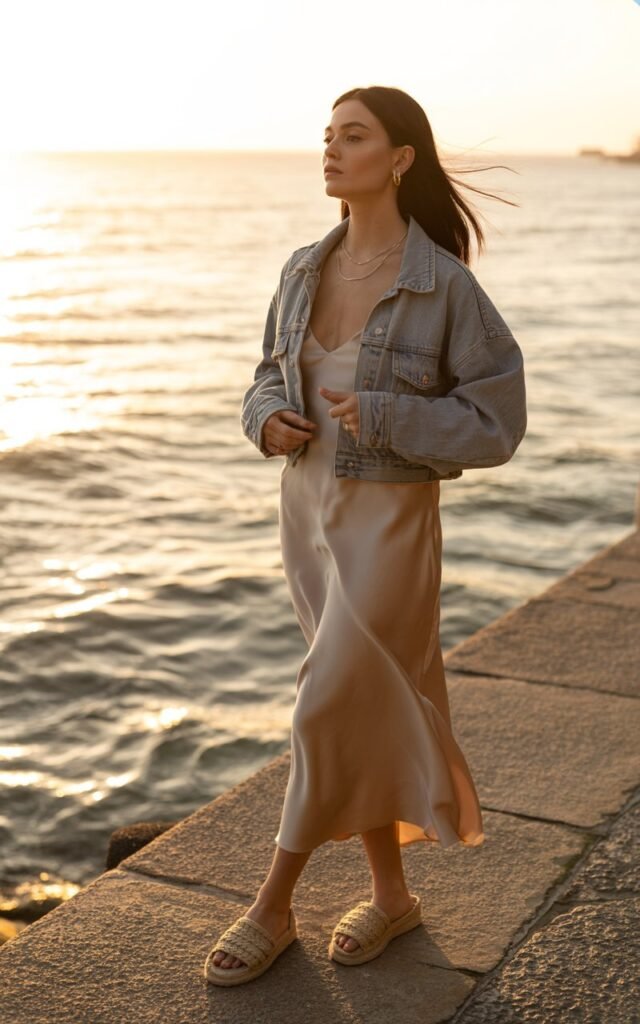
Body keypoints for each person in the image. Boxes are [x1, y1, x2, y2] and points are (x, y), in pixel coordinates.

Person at [204, 85, 527, 986]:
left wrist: (385, 415)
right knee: (362, 699)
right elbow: (265, 377)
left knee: (326, 696)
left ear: (400, 159)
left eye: (354, 136)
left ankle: (273, 903)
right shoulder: (302, 269)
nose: (332, 149)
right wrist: (266, 420)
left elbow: (497, 422)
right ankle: (391, 896)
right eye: (328, 135)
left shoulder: (444, 284)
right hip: (306, 511)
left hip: (390, 518)